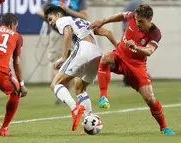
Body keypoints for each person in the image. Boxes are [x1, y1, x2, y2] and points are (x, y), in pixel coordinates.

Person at [89, 4, 175, 135]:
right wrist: (103, 20)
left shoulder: (155, 33)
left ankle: (164, 127)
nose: (138, 24)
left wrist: (136, 47)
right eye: (136, 20)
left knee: (150, 99)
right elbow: (121, 15)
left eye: (141, 21)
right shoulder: (132, 17)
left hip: (136, 66)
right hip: (119, 57)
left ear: (150, 19)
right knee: (105, 58)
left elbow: (149, 51)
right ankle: (103, 97)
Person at [44, 5, 118, 131]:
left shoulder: (63, 20)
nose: (51, 23)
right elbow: (108, 32)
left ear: (57, 15)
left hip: (83, 49)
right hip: (97, 55)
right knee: (79, 88)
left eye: (50, 19)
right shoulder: (84, 22)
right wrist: (119, 48)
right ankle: (89, 121)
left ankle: (75, 108)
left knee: (55, 84)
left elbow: (67, 33)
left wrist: (63, 58)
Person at [38, 0, 87, 104]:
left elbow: (84, 16)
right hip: (56, 34)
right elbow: (40, 11)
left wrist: (67, 10)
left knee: (75, 66)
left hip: (74, 34)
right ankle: (62, 94)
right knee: (57, 64)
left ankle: (72, 94)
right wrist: (51, 20)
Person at [121, 0, 143, 87]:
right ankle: (131, 79)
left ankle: (132, 79)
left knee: (128, 56)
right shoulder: (137, 2)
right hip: (131, 33)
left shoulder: (134, 3)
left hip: (130, 33)